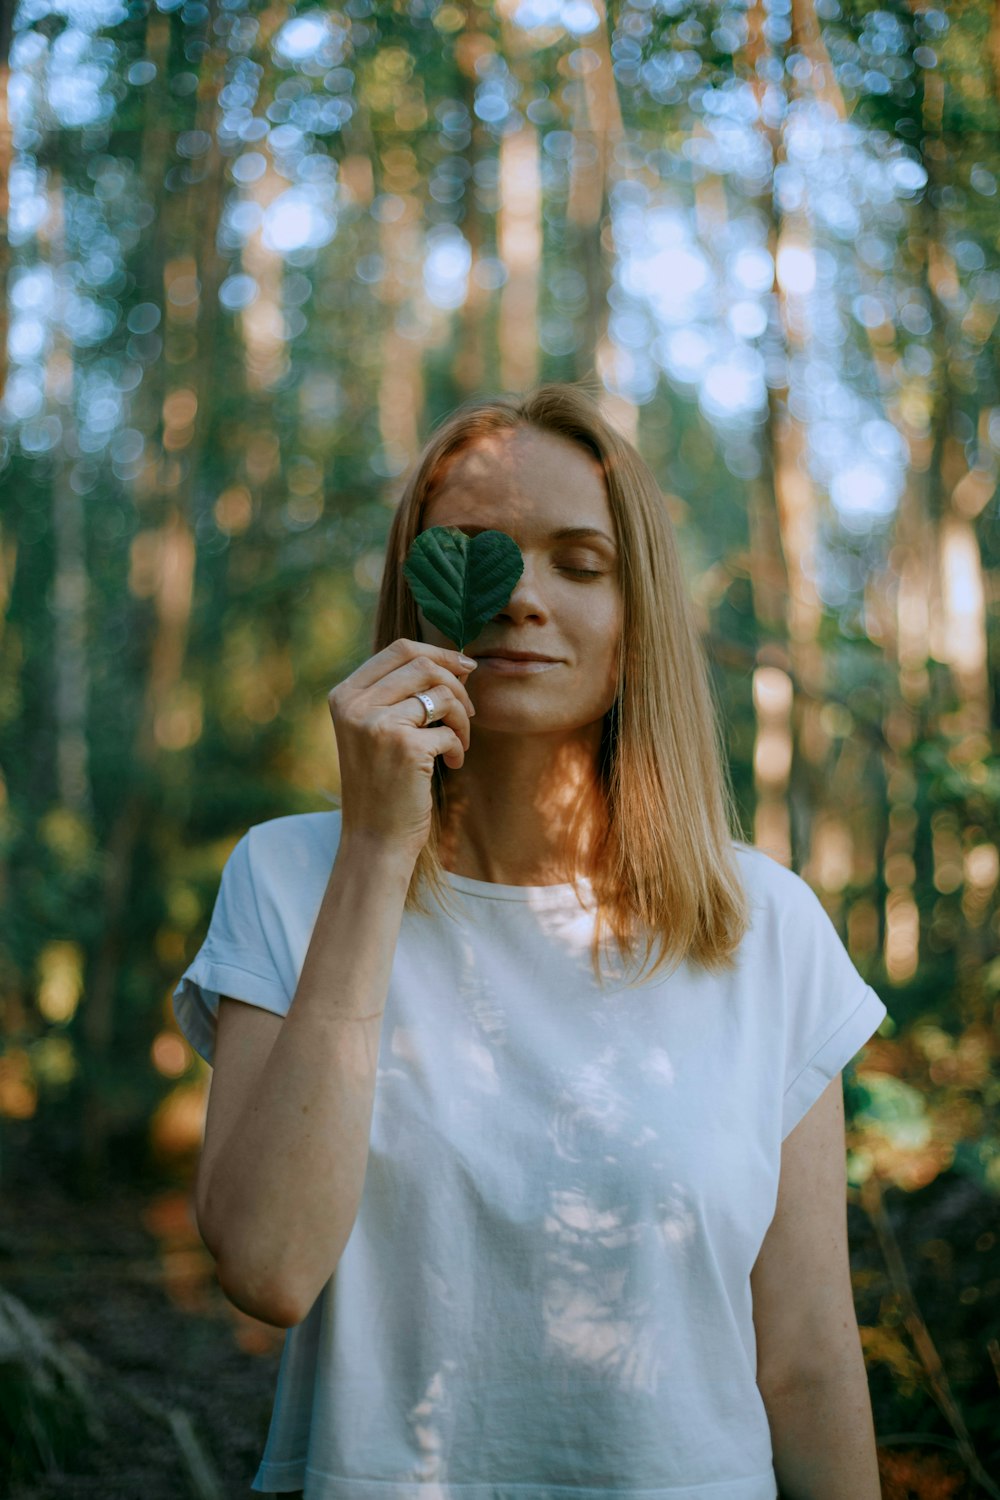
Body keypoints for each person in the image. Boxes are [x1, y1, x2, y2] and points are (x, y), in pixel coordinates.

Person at [173, 381, 888, 1499]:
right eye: (480, 556)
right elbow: (267, 1269)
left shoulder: (768, 926)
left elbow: (802, 1358)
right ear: (418, 587)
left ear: (637, 610)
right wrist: (373, 850)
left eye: (581, 564)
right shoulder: (288, 874)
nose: (522, 601)